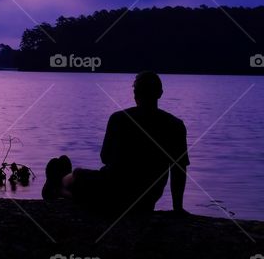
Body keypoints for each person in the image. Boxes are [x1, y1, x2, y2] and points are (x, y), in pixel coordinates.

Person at [42, 71, 190, 215]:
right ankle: (62, 183)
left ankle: (58, 183)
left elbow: (105, 157)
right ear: (160, 93)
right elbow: (179, 170)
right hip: (148, 197)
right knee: (95, 187)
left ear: (135, 94)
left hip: (112, 189)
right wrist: (178, 207)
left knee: (78, 175)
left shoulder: (119, 119)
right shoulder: (175, 126)